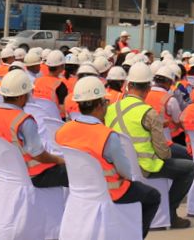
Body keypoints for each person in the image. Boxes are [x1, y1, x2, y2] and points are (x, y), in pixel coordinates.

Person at [57, 77, 162, 238]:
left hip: (80, 190)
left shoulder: (63, 130)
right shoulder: (107, 136)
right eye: (105, 102)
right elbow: (125, 172)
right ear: (99, 104)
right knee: (153, 196)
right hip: (111, 191)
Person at [105, 63, 194, 229]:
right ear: (148, 88)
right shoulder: (148, 112)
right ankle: (171, 212)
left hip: (119, 164)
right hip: (146, 166)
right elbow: (163, 153)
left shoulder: (111, 108)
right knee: (189, 168)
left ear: (129, 85)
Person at [0, 70, 68, 187]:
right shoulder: (24, 121)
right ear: (22, 96)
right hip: (32, 174)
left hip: (6, 170)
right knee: (73, 172)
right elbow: (39, 155)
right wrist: (59, 160)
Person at [33, 50, 68, 115]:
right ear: (61, 66)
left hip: (36, 116)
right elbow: (63, 110)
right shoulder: (60, 85)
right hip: (53, 120)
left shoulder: (36, 81)